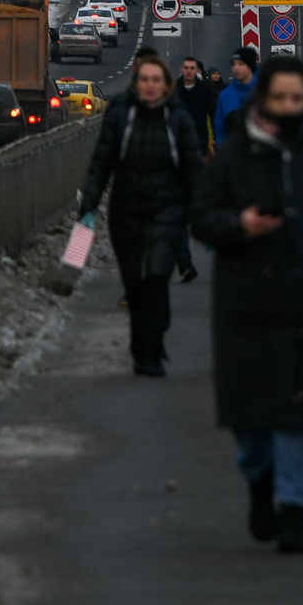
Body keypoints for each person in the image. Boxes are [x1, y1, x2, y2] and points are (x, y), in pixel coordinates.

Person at [192, 54, 303, 556]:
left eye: (297, 98)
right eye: (279, 98)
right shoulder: (233, 155)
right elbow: (202, 217)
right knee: (251, 418)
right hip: (245, 300)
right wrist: (239, 226)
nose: (289, 107)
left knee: (299, 409)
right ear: (263, 100)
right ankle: (260, 483)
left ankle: (294, 509)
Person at [75, 51, 204, 376]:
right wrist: (88, 205)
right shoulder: (121, 115)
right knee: (134, 283)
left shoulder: (177, 118)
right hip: (126, 210)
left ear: (165, 84)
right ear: (137, 82)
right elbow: (101, 164)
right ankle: (140, 346)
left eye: (156, 80)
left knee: (157, 278)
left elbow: (192, 168)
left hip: (166, 210)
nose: (150, 85)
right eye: (144, 79)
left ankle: (155, 346)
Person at [212, 47, 259, 140]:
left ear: (250, 65)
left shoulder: (264, 91)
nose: (236, 68)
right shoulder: (225, 95)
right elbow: (219, 127)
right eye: (233, 64)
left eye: (241, 64)